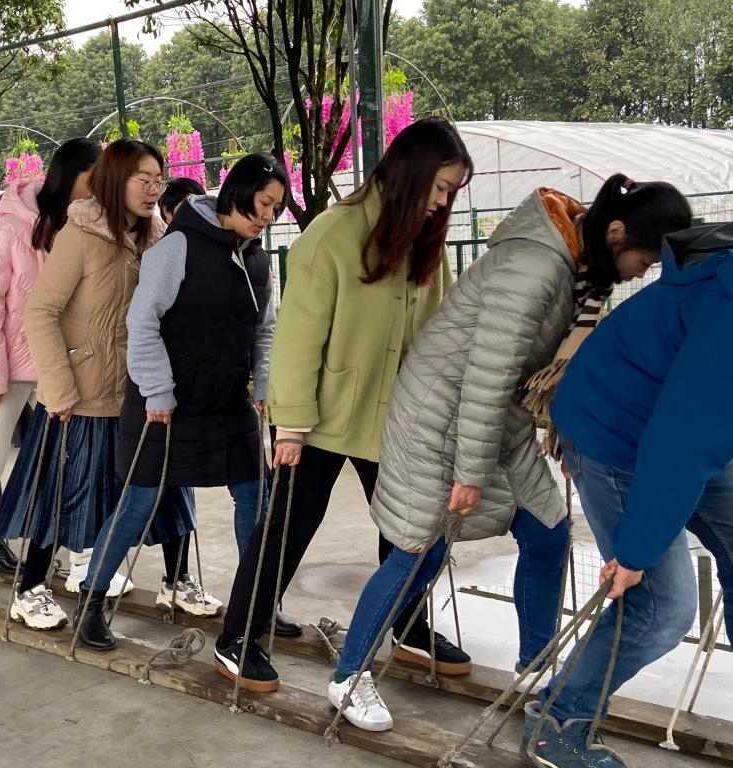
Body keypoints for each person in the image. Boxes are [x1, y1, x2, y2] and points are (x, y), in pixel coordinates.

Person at [327, 174, 695, 732]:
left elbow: (555, 368)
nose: (642, 273)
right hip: (440, 417)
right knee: (418, 549)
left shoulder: (582, 269)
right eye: (644, 260)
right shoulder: (536, 266)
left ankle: (535, 666)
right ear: (617, 233)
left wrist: (567, 432)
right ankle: (348, 677)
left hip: (502, 419)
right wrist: (470, 473)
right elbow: (487, 374)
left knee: (548, 531)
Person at [212, 118, 473, 693]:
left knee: (408, 528)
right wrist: (291, 426)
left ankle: (408, 625)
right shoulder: (331, 235)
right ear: (411, 174)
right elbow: (297, 340)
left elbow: (440, 336)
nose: (441, 202)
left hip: (399, 418)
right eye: (438, 187)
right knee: (288, 527)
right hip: (321, 420)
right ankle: (238, 637)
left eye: (451, 192)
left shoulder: (425, 243)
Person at [521, 218, 729, 768]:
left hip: (670, 421)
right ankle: (556, 721)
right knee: (661, 608)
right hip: (614, 433)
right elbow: (683, 439)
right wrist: (635, 552)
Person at [73, 152, 287, 652]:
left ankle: (255, 605)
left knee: (256, 498)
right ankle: (91, 600)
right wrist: (158, 390)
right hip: (165, 402)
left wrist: (264, 385)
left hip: (227, 402)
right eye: (262, 203)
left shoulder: (256, 258)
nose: (268, 216)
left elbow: (264, 330)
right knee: (138, 502)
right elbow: (142, 322)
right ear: (237, 193)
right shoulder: (176, 248)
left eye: (276, 208)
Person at [0, 138, 171, 630]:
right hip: (81, 393)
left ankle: (107, 583)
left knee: (129, 495)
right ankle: (29, 588)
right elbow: (40, 311)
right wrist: (59, 385)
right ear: (115, 180)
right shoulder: (81, 232)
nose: (153, 189)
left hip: (134, 390)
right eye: (143, 179)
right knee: (62, 494)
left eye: (159, 180)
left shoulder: (157, 236)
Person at [0, 138, 103, 611]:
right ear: (71, 174)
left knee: (71, 465)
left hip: (58, 365)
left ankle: (81, 559)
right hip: (5, 371)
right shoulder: (8, 230)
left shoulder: (84, 226)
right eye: (94, 177)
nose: (100, 187)